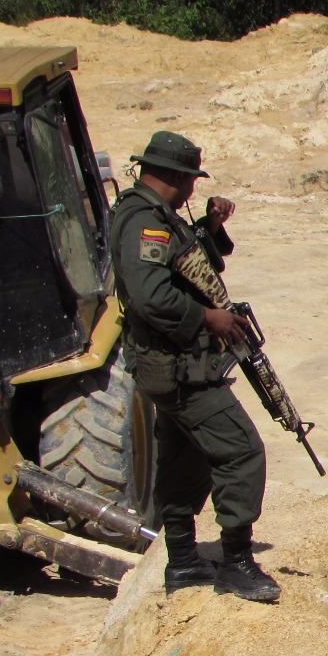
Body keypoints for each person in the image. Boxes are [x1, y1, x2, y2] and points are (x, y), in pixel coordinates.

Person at [108, 129, 277, 602]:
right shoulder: (144, 221)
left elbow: (190, 266)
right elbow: (149, 295)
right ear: (177, 177)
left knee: (185, 457)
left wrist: (210, 225)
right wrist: (208, 317)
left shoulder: (157, 215)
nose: (192, 189)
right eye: (191, 180)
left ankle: (182, 561)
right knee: (241, 451)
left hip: (179, 365)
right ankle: (236, 563)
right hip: (180, 368)